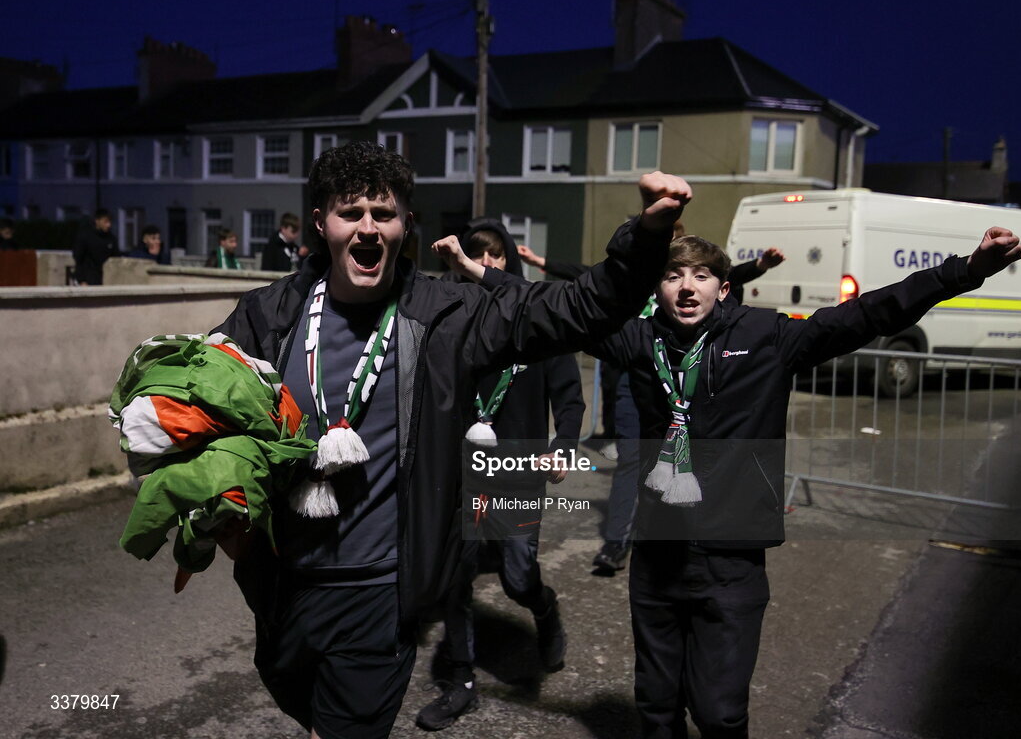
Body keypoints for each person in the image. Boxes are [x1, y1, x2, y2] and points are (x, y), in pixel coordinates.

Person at [213, 140, 692, 739]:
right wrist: (224, 520)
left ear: (405, 225)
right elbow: (196, 411)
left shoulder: (448, 315)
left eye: (383, 214)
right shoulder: (266, 316)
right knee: (296, 696)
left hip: (380, 592)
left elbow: (575, 309)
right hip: (284, 585)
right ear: (321, 223)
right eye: (350, 212)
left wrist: (643, 240)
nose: (367, 228)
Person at [466, 226, 1020, 739]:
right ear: (655, 288)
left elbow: (870, 314)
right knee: (656, 706)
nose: (686, 288)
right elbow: (561, 310)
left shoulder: (767, 337)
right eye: (673, 275)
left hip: (731, 559)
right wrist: (486, 275)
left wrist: (966, 270)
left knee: (719, 711)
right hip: (659, 554)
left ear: (723, 288)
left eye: (700, 276)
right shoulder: (636, 341)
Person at [517, 241, 786, 576]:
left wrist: (759, 266)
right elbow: (581, 278)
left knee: (688, 458)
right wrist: (536, 265)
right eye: (672, 275)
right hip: (641, 376)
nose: (684, 285)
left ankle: (697, 544)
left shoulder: (701, 288)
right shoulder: (638, 280)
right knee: (633, 460)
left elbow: (721, 275)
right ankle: (617, 542)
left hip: (687, 380)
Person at [415, 219, 584, 730]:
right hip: (463, 469)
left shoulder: (539, 320)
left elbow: (570, 399)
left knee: (515, 577)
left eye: (496, 257)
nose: (486, 265)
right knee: (456, 576)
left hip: (518, 467)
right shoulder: (455, 318)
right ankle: (462, 678)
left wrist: (564, 447)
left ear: (508, 261)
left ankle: (544, 607)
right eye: (476, 256)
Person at [72, 208, 120, 285]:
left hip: (105, 278)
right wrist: (81, 280)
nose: (108, 225)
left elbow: (116, 259)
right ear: (97, 221)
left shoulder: (111, 239)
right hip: (88, 278)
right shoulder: (85, 236)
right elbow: (78, 259)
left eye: (109, 222)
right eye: (105, 222)